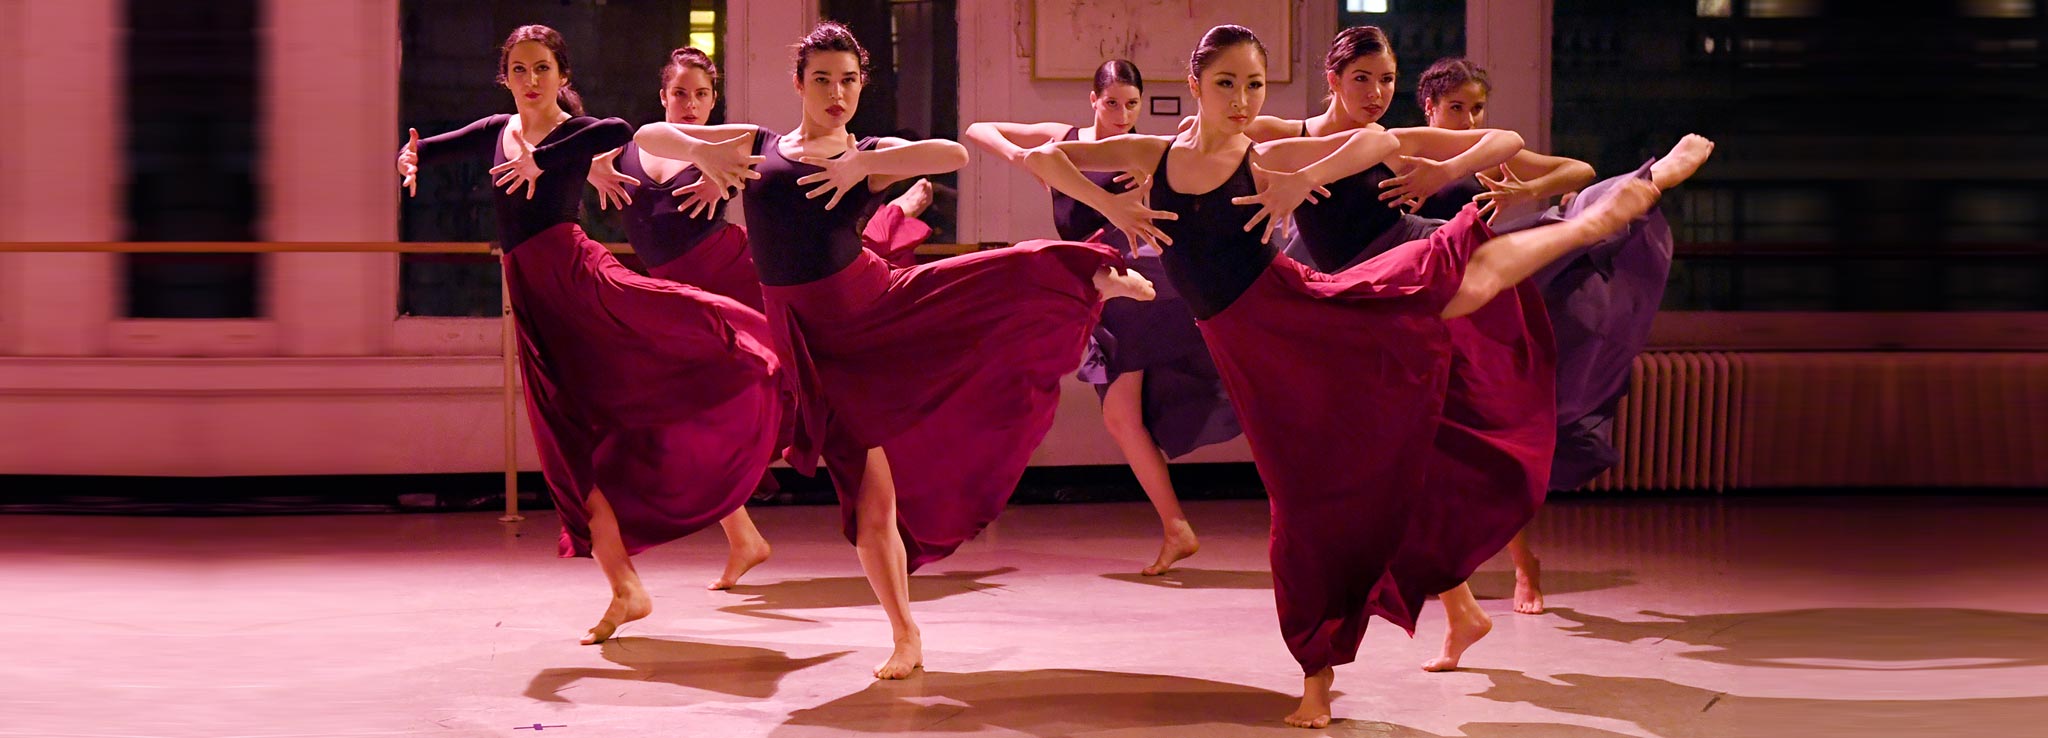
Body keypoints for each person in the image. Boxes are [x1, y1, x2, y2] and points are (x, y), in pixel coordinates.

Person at [1020, 25, 1700, 728]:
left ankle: (1596, 222)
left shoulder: (1265, 156)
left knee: (1443, 283)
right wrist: (1108, 205)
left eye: (1255, 84)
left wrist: (1300, 178)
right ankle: (1441, 615)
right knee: (1333, 483)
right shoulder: (1153, 155)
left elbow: (1377, 143)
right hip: (1257, 359)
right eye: (1227, 84)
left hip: (1303, 318)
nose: (1244, 100)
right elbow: (1043, 155)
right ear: (1193, 87)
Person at [632, 22, 1155, 679]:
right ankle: (897, 631)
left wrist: (865, 164)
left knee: (975, 288)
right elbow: (649, 136)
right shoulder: (756, 145)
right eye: (822, 78)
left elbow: (952, 154)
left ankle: (1087, 276)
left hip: (871, 309)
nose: (836, 93)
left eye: (849, 80)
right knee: (863, 496)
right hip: (808, 340)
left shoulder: (866, 152)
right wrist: (705, 154)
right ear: (798, 83)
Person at [395, 25, 784, 645]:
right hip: (532, 296)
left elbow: (616, 133)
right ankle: (632, 584)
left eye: (542, 69)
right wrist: (412, 155)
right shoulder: (496, 131)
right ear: (506, 76)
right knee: (569, 449)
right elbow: (432, 149)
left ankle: (754, 352)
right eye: (519, 70)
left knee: (652, 365)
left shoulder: (576, 134)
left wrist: (543, 160)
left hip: (577, 281)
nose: (530, 81)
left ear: (561, 76)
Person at [965, 58, 1236, 576]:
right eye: (1112, 103)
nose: (1122, 114)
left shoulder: (1139, 152)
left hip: (1133, 285)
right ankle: (1177, 528)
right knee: (1120, 418)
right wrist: (1024, 157)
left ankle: (1183, 523)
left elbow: (1195, 164)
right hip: (1096, 290)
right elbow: (979, 128)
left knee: (1124, 412)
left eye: (1131, 105)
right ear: (1094, 101)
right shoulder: (1063, 138)